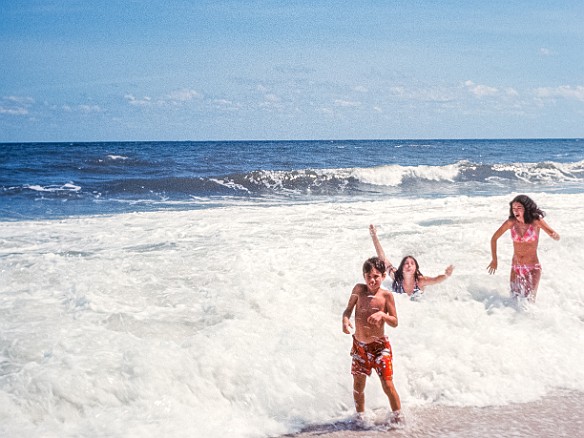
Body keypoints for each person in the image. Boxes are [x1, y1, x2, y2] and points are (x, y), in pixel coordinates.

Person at [342, 257, 403, 426]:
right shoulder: (358, 290)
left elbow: (395, 321)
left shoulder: (386, 296)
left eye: (376, 276)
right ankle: (360, 418)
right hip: (359, 347)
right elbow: (347, 310)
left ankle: (399, 418)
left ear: (383, 276)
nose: (372, 280)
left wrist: (383, 315)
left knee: (387, 384)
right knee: (358, 386)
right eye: (368, 276)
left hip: (379, 347)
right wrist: (345, 321)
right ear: (364, 276)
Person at [487, 194, 560, 302]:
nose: (516, 211)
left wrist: (554, 236)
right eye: (514, 208)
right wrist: (494, 260)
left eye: (519, 208)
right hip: (515, 268)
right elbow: (494, 238)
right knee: (514, 301)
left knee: (529, 302)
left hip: (532, 268)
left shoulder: (536, 221)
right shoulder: (511, 223)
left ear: (526, 209)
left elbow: (556, 236)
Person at [369, 225, 454, 299]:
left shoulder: (420, 281)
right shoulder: (396, 277)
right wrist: (374, 236)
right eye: (406, 263)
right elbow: (383, 259)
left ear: (415, 269)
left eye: (412, 263)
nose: (409, 265)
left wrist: (446, 275)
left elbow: (435, 280)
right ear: (402, 268)